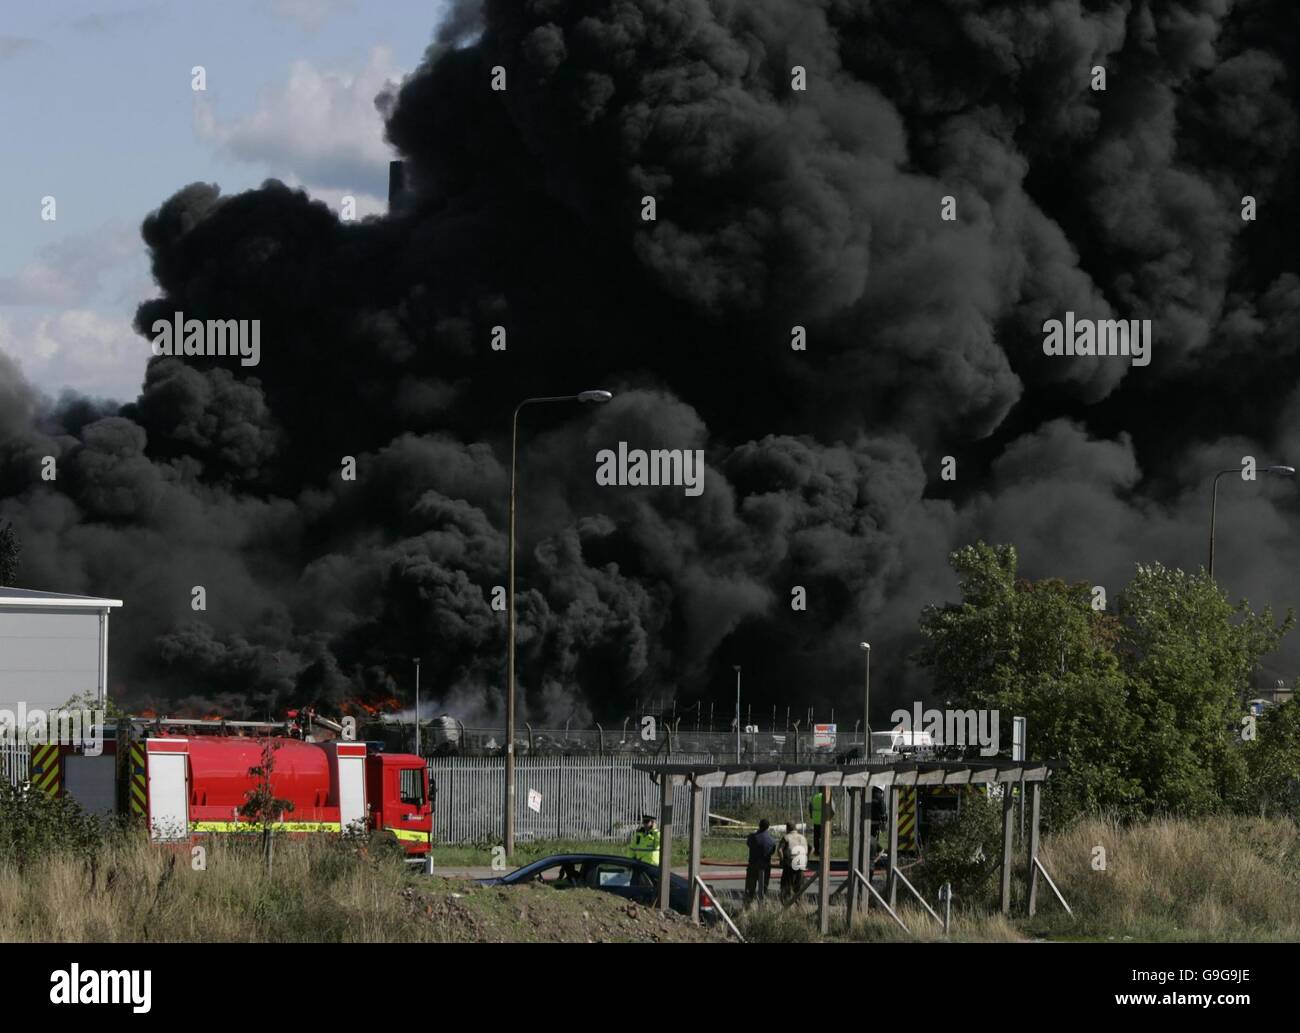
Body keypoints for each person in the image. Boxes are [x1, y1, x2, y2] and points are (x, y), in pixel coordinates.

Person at [744, 818, 776, 904]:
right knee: (763, 890)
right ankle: (761, 906)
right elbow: (772, 852)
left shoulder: (752, 837)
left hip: (753, 865)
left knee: (750, 889)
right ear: (768, 827)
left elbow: (748, 844)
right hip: (765, 866)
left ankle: (747, 906)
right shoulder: (771, 840)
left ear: (759, 825)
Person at [779, 820, 808, 903]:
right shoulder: (803, 837)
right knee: (798, 888)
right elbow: (811, 848)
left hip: (790, 863)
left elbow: (780, 850)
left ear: (787, 828)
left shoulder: (786, 837)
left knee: (786, 886)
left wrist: (782, 860)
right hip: (801, 864)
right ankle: (799, 905)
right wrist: (806, 858)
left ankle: (785, 904)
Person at [808, 789, 834, 856]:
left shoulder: (815, 796)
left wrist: (811, 815)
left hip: (816, 819)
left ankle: (816, 851)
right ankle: (825, 851)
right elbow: (833, 808)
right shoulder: (827, 796)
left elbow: (810, 806)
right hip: (825, 820)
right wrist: (831, 817)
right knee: (825, 836)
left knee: (816, 836)